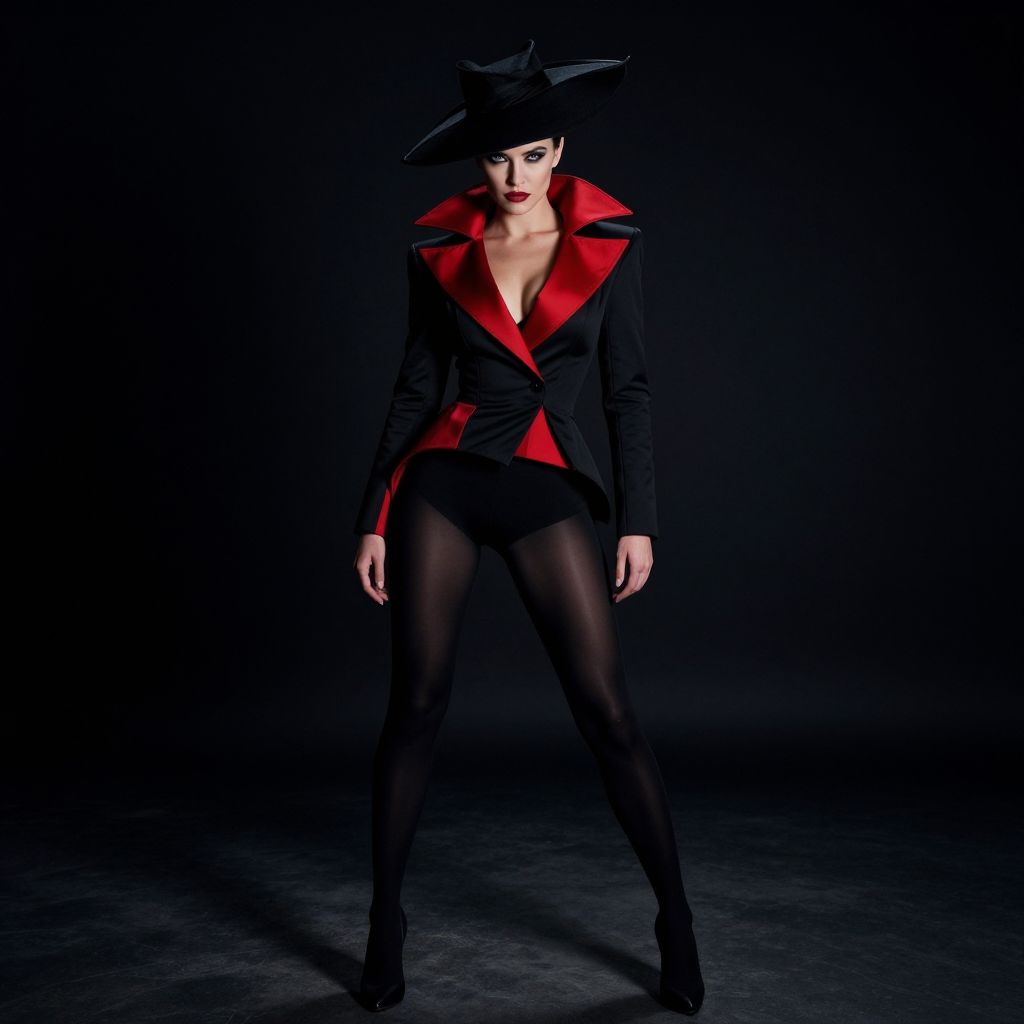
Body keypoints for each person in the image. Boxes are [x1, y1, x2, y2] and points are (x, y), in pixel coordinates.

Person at [351, 39, 705, 1016]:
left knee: (607, 712)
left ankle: (675, 917)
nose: (516, 175)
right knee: (415, 705)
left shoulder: (613, 241)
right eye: (499, 157)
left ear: (560, 150)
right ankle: (384, 920)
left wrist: (639, 521)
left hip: (547, 483)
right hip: (441, 483)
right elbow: (414, 387)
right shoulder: (437, 248)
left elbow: (629, 391)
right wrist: (373, 515)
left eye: (534, 154)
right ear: (480, 159)